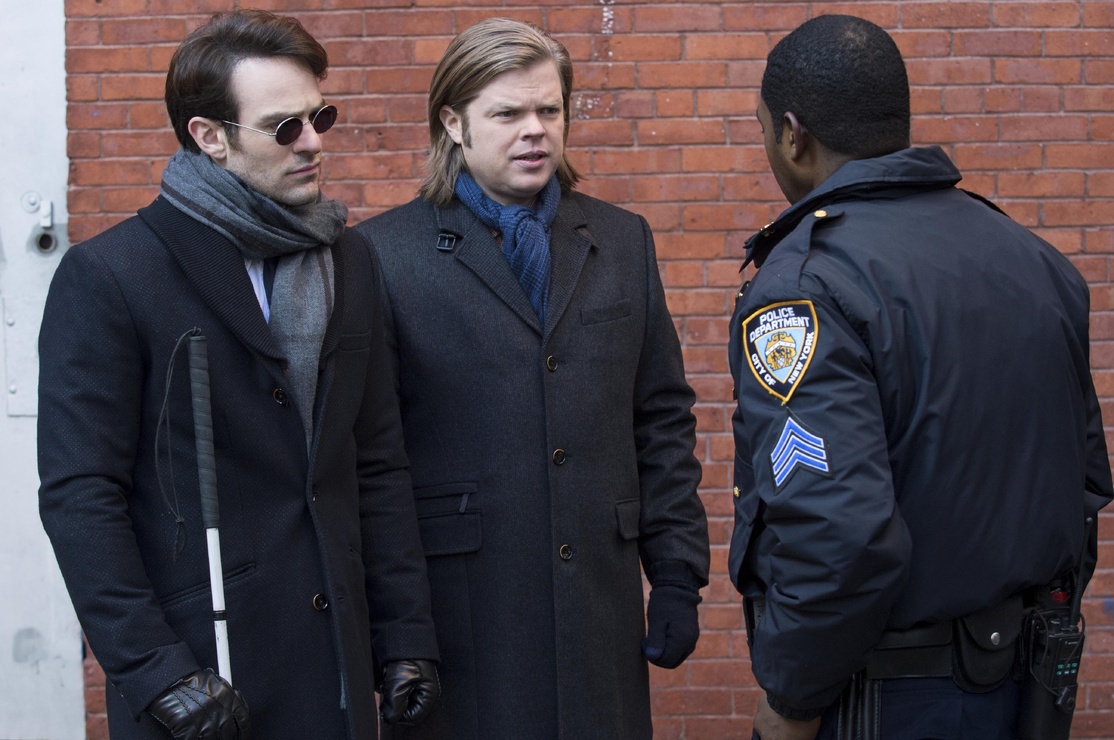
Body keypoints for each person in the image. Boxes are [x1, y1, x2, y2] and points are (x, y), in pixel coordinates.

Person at [37, 10, 440, 739]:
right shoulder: (112, 276)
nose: (313, 141)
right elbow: (81, 495)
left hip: (336, 674)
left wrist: (404, 636)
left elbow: (375, 460)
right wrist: (156, 671)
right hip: (203, 679)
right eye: (285, 127)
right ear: (209, 136)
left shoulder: (349, 258)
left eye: (320, 116)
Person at [728, 13, 1114, 740]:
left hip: (887, 692)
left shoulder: (808, 286)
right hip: (1027, 681)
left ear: (792, 133)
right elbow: (1084, 480)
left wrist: (792, 703)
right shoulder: (1031, 258)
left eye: (763, 131)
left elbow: (837, 533)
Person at [355, 17, 710, 739]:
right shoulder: (382, 255)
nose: (535, 131)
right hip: (464, 619)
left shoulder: (622, 240)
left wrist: (677, 572)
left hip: (598, 614)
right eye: (508, 114)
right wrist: (397, 634)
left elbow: (661, 419)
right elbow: (373, 461)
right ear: (453, 123)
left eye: (550, 109)